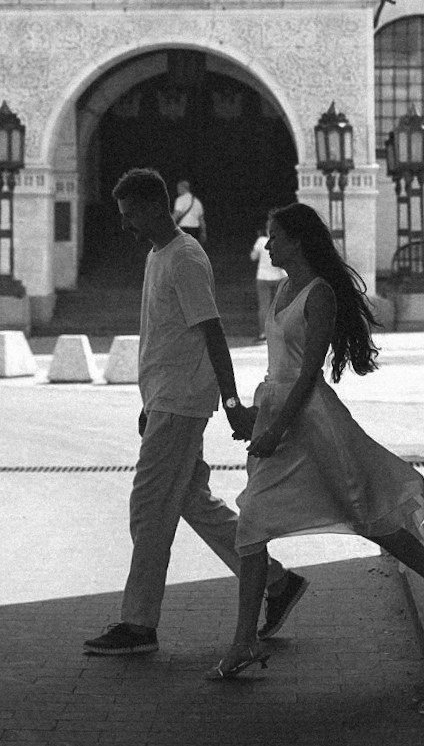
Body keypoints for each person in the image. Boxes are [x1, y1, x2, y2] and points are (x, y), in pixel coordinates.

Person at [208, 202, 424, 680]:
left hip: (312, 422)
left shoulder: (320, 294)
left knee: (368, 516)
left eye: (274, 236)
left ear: (297, 239)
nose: (268, 244)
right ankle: (244, 642)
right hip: (281, 411)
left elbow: (309, 373)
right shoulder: (283, 290)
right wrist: (257, 414)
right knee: (252, 525)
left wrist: (274, 428)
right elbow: (280, 368)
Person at [84, 168, 308, 657]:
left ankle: (139, 624)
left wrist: (231, 404)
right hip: (166, 400)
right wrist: (149, 403)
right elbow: (164, 338)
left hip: (181, 404)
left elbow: (212, 332)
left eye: (129, 215)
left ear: (153, 208)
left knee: (148, 511)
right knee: (191, 501)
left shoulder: (184, 257)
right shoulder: (157, 255)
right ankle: (276, 581)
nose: (125, 225)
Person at [249, 223, 285, 340]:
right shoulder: (282, 240)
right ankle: (279, 332)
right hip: (279, 277)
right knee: (280, 306)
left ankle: (263, 334)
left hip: (263, 277)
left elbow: (253, 257)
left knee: (264, 306)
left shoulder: (261, 241)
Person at [172, 178, 205, 246]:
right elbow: (201, 220)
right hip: (196, 230)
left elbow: (176, 215)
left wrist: (169, 225)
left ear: (183, 188)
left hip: (184, 229)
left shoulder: (180, 200)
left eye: (178, 188)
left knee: (182, 249)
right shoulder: (197, 201)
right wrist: (203, 232)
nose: (177, 190)